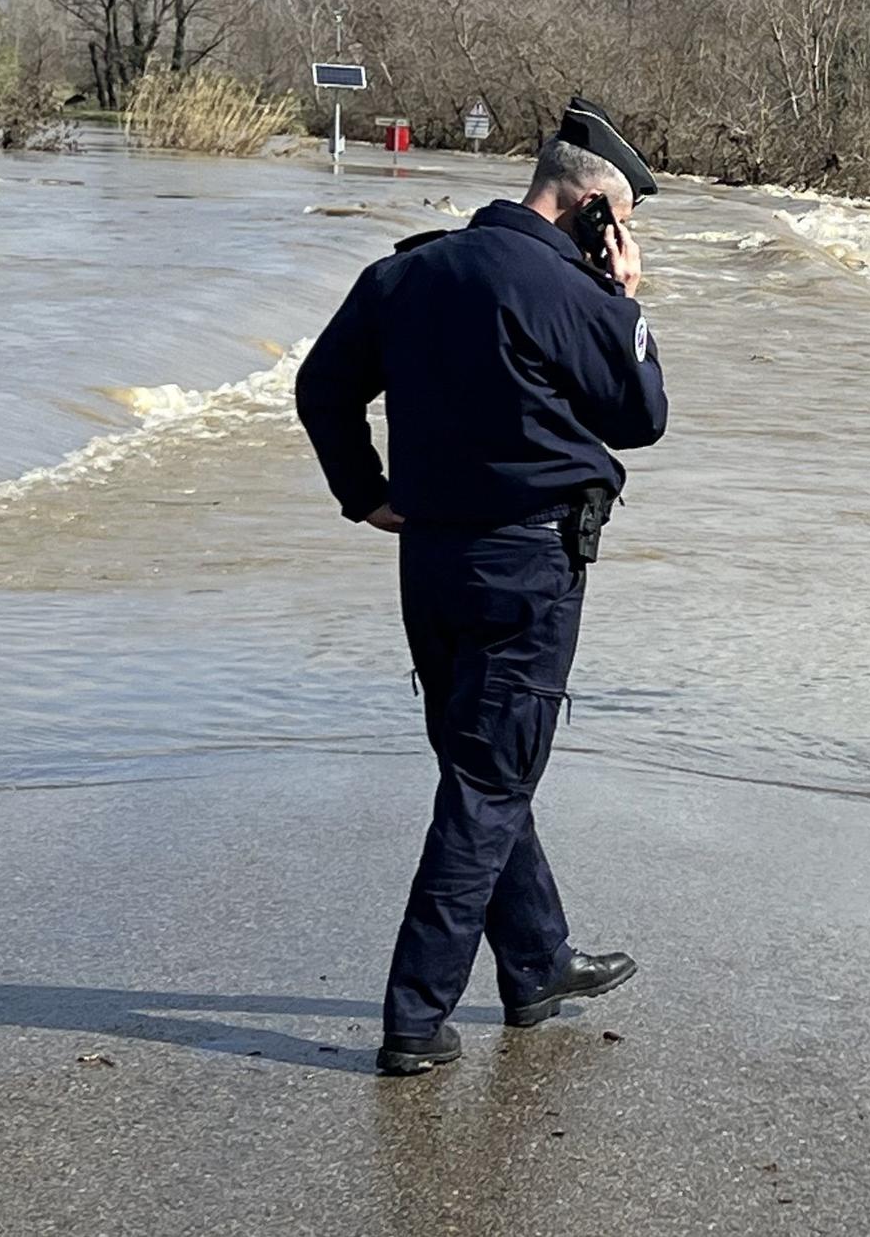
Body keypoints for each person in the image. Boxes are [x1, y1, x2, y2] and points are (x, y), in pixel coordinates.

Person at [295, 97, 670, 1076]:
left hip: (429, 560)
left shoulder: (409, 271)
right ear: (595, 209)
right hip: (528, 565)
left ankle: (538, 962)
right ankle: (416, 1016)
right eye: (624, 218)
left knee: (481, 770)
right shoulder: (574, 294)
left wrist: (363, 494)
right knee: (490, 781)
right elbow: (641, 418)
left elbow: (320, 388)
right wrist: (627, 300)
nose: (627, 236)